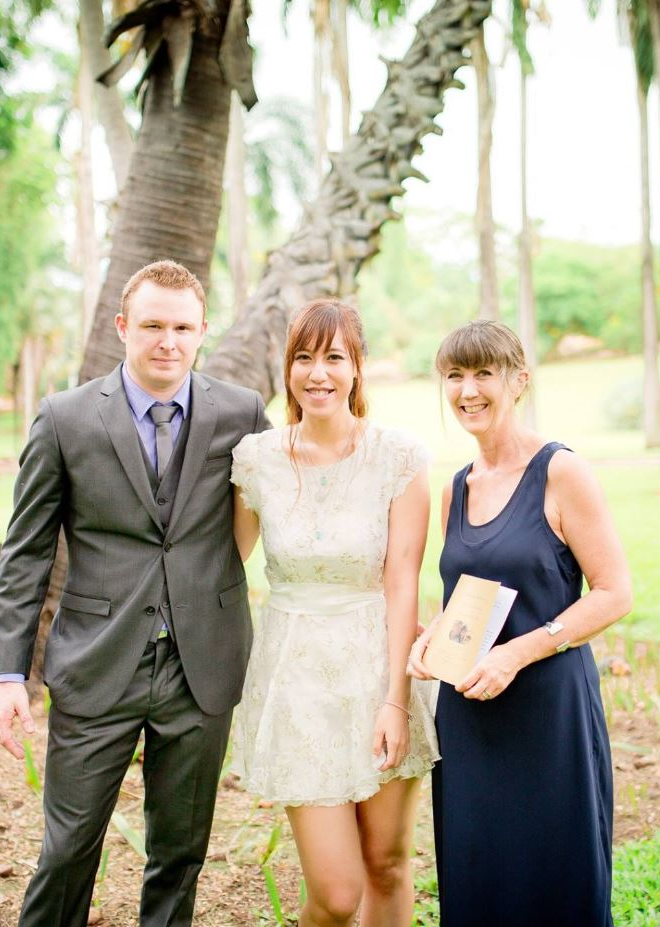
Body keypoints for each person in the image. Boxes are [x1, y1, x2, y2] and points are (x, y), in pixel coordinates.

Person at [0, 260, 270, 927]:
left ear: (202, 330)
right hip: (97, 662)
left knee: (180, 854)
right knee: (67, 850)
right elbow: (26, 553)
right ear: (122, 327)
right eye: (151, 326)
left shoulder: (242, 413)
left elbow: (278, 508)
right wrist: (8, 674)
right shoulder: (65, 419)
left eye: (182, 327)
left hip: (202, 665)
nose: (167, 341)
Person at [409, 320, 633, 927]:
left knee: (556, 876)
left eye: (484, 373)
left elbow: (614, 593)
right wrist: (431, 638)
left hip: (549, 712)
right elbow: (465, 599)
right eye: (455, 375)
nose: (468, 390)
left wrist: (516, 654)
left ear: (519, 381)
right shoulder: (456, 489)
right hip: (470, 717)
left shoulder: (561, 471)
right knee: (477, 872)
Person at [229, 300, 438, 927]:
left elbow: (402, 581)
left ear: (357, 367)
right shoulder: (256, 459)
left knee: (388, 864)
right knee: (338, 893)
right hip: (295, 679)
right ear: (287, 368)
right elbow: (223, 562)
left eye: (334, 358)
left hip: (378, 670)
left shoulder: (399, 457)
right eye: (303, 358)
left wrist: (395, 701)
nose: (317, 373)